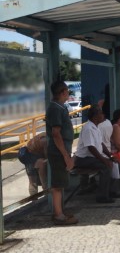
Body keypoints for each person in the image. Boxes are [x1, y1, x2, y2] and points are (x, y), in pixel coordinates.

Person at [74, 105, 120, 203]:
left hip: (92, 157)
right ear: (95, 116)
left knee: (113, 162)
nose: (103, 115)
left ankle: (112, 191)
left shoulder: (96, 127)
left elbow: (101, 144)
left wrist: (110, 156)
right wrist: (104, 160)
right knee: (106, 166)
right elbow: (91, 148)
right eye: (101, 113)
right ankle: (102, 196)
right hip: (83, 159)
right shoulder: (88, 128)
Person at [45, 80, 77, 225]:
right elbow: (56, 134)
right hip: (58, 152)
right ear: (63, 92)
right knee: (58, 184)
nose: (68, 94)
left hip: (62, 150)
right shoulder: (55, 109)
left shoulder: (60, 107)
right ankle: (58, 214)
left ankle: (60, 211)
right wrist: (66, 156)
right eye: (67, 91)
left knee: (61, 182)